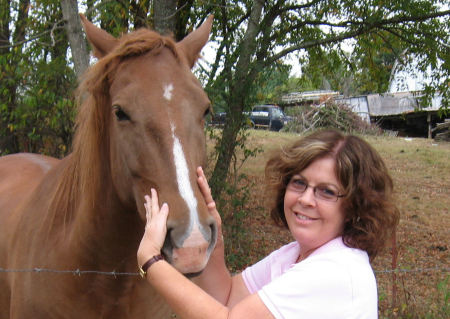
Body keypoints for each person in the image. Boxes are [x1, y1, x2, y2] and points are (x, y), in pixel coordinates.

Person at [137, 129, 400, 319]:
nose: (306, 199)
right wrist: (214, 243)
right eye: (299, 183)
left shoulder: (336, 272)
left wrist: (151, 260)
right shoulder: (293, 256)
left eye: (326, 192)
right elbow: (227, 298)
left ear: (355, 206)